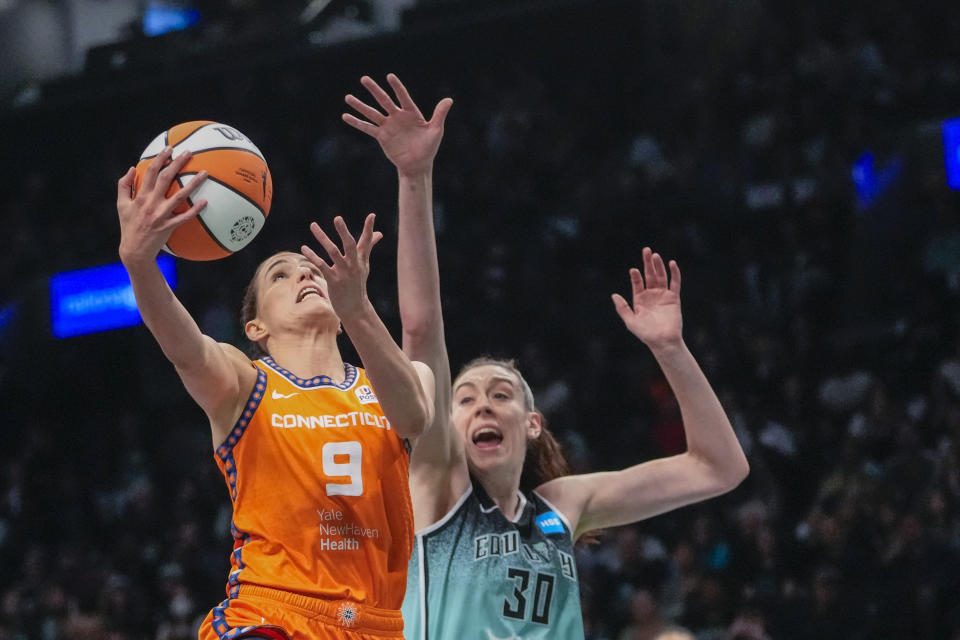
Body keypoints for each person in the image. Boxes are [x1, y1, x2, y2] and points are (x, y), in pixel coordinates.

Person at [342, 74, 750, 640]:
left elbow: (720, 468)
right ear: (450, 424)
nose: (483, 405)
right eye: (465, 398)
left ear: (532, 424)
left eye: (501, 394)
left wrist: (670, 349)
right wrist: (415, 177)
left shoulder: (562, 506)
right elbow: (421, 327)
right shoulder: (437, 487)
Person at [115, 146, 435, 640]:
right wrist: (139, 262)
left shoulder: (396, 378)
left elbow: (414, 417)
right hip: (270, 613)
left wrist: (359, 310)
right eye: (279, 275)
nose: (304, 273)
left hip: (377, 623)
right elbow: (186, 348)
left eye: (308, 268)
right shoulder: (244, 381)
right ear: (256, 325)